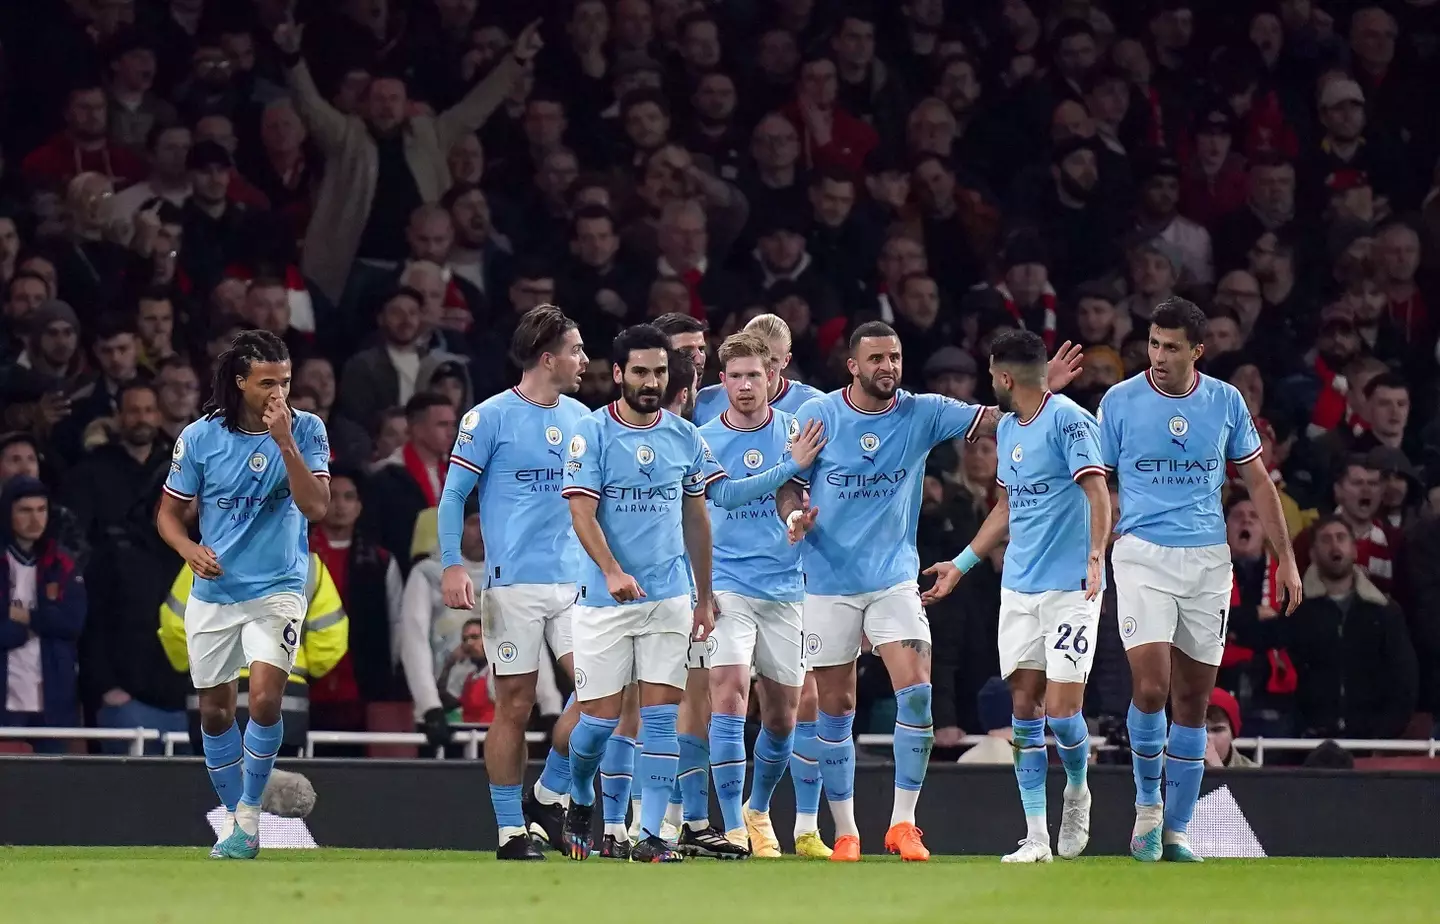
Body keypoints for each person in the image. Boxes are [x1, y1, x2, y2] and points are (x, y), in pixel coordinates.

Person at [775, 320, 1082, 862]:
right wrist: (796, 515)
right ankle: (846, 831)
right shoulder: (819, 415)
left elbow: (997, 416)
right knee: (835, 705)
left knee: (916, 690)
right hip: (827, 579)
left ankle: (903, 824)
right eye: (875, 359)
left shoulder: (922, 412)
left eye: (893, 357)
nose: (887, 367)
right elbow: (789, 483)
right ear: (853, 366)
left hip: (894, 578)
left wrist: (1041, 385)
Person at [559, 324, 804, 863]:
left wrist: (702, 596)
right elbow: (581, 511)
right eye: (641, 371)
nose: (651, 381)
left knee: (662, 716)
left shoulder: (684, 436)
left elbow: (699, 517)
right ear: (619, 374)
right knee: (598, 721)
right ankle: (579, 796)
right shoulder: (592, 434)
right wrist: (611, 570)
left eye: (660, 372)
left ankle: (650, 836)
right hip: (605, 599)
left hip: (669, 595)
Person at [1096, 297, 1300, 863]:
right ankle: (1146, 813)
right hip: (1139, 554)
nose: (1157, 356)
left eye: (1171, 348)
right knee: (1153, 687)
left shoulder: (1226, 402)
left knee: (1192, 700)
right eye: (1153, 345)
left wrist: (1285, 556)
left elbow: (1258, 483)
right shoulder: (1120, 401)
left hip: (1208, 560)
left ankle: (1179, 830)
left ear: (1197, 351)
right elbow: (1094, 479)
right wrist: (1092, 548)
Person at [922, 329, 1110, 863]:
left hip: (1073, 587)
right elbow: (1005, 508)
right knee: (1024, 707)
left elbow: (1098, 492)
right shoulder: (1008, 430)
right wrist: (960, 566)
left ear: (1004, 378)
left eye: (990, 375)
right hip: (1020, 589)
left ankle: (1077, 786)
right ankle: (1036, 836)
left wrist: (1096, 556)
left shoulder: (1072, 421)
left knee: (1063, 709)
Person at [155, 330, 331, 859]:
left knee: (265, 699)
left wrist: (284, 442)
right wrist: (189, 547)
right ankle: (237, 822)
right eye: (266, 383)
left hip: (277, 589)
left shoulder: (307, 430)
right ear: (239, 383)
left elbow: (317, 507)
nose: (279, 392)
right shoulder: (201, 438)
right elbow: (167, 514)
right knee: (213, 712)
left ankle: (251, 819)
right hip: (214, 591)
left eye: (286, 381)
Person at [436, 306, 592, 861]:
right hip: (511, 585)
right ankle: (509, 830)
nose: (584, 360)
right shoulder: (489, 418)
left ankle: (548, 792)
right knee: (515, 705)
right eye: (576, 349)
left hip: (576, 581)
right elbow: (454, 495)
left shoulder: (583, 419)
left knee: (602, 693)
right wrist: (454, 563)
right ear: (547, 357)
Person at [698, 332, 826, 856]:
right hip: (727, 582)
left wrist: (797, 518)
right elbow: (724, 493)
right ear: (722, 381)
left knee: (783, 716)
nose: (747, 386)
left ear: (772, 377)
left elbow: (790, 496)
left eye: (756, 375)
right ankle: (731, 827)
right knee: (728, 695)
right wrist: (790, 465)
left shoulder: (795, 432)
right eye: (736, 376)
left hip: (785, 586)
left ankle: (757, 809)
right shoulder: (704, 438)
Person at [693, 313, 825, 422]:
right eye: (753, 356)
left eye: (772, 360)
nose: (762, 367)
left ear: (786, 360)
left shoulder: (815, 405)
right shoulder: (706, 401)